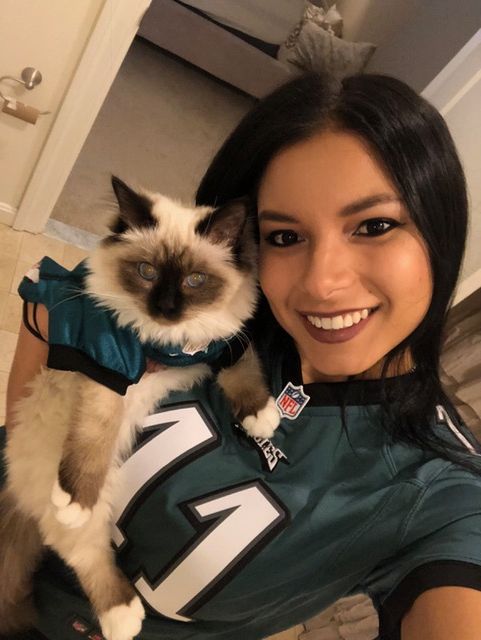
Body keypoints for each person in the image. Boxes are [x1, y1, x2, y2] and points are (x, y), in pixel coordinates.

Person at [3, 72, 481, 640]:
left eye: (374, 226)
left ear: (440, 225)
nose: (323, 283)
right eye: (284, 235)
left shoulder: (440, 489)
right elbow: (51, 318)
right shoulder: (211, 309)